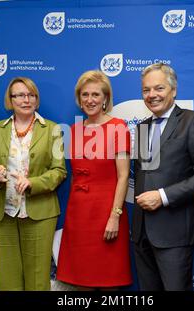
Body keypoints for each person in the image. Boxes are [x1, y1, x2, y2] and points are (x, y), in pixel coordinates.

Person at [132, 63, 194, 291]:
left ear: (173, 90)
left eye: (159, 88)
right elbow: (143, 175)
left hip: (174, 234)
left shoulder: (193, 121)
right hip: (142, 234)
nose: (152, 95)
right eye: (146, 90)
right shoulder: (142, 127)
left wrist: (162, 196)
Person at [0, 77, 66, 291]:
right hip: (4, 213)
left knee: (38, 278)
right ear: (10, 100)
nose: (26, 99)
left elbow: (59, 171)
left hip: (39, 212)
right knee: (8, 278)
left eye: (31, 95)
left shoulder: (53, 129)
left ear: (36, 100)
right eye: (19, 95)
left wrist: (33, 183)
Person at [56, 70, 132, 290]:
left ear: (105, 98)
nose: (90, 100)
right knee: (80, 282)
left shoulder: (118, 127)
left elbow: (123, 175)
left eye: (95, 95)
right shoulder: (73, 130)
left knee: (109, 281)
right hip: (78, 216)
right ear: (79, 99)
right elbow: (74, 175)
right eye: (85, 94)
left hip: (106, 213)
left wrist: (115, 217)